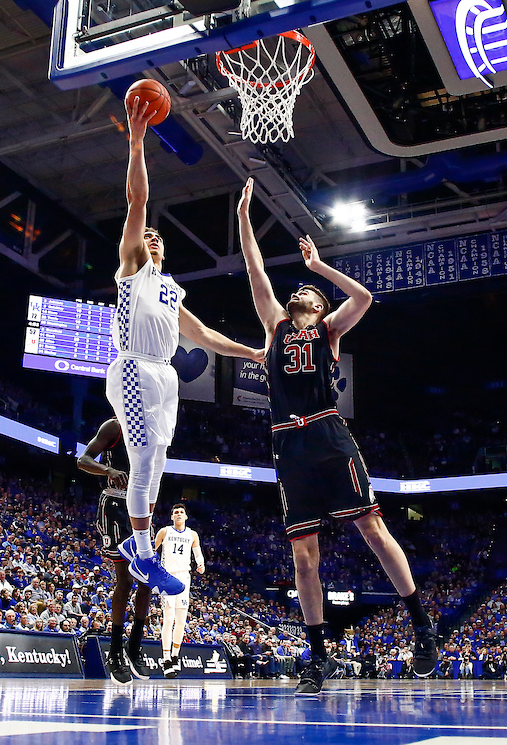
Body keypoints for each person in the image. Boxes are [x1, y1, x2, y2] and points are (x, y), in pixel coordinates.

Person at [236, 178, 438, 696]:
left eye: (310, 293)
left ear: (321, 307)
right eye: (300, 290)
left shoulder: (328, 332)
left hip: (328, 433)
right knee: (304, 555)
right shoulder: (275, 325)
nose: (301, 293)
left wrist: (318, 266)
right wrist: (243, 215)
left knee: (372, 530)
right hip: (288, 442)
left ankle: (420, 623)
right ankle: (317, 656)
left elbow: (365, 295)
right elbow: (255, 270)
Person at [107, 97, 263, 596]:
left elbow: (207, 337)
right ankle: (142, 551)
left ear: (165, 251)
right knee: (140, 458)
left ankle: (139, 545)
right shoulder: (133, 271)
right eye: (144, 236)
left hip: (166, 376)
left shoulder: (170, 290)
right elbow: (138, 201)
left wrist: (254, 354)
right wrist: (137, 142)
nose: (149, 237)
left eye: (156, 238)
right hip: (133, 367)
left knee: (156, 461)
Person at [77, 417, 151, 685]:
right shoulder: (113, 426)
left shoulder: (153, 429)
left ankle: (134, 647)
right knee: (126, 581)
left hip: (141, 507)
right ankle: (116, 651)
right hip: (115, 506)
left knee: (147, 582)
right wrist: (108, 470)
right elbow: (82, 460)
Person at [154, 502, 205, 677]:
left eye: (181, 512)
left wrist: (201, 565)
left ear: (186, 516)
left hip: (184, 577)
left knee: (181, 621)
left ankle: (175, 656)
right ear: (171, 516)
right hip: (167, 577)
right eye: (175, 512)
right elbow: (152, 550)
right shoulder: (164, 531)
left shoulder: (192, 534)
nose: (178, 514)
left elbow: (198, 555)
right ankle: (166, 658)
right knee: (168, 619)